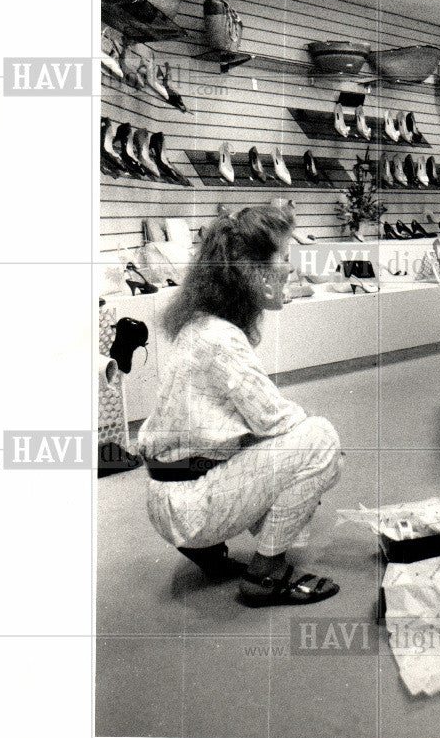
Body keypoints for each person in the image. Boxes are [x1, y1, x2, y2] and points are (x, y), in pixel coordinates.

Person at [135, 205, 342, 605]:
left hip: (168, 494)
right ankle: (266, 575)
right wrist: (322, 459)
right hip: (189, 506)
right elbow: (276, 420)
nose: (291, 269)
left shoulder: (200, 323)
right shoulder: (222, 338)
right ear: (252, 271)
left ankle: (208, 551)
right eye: (283, 258)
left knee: (282, 444)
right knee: (322, 440)